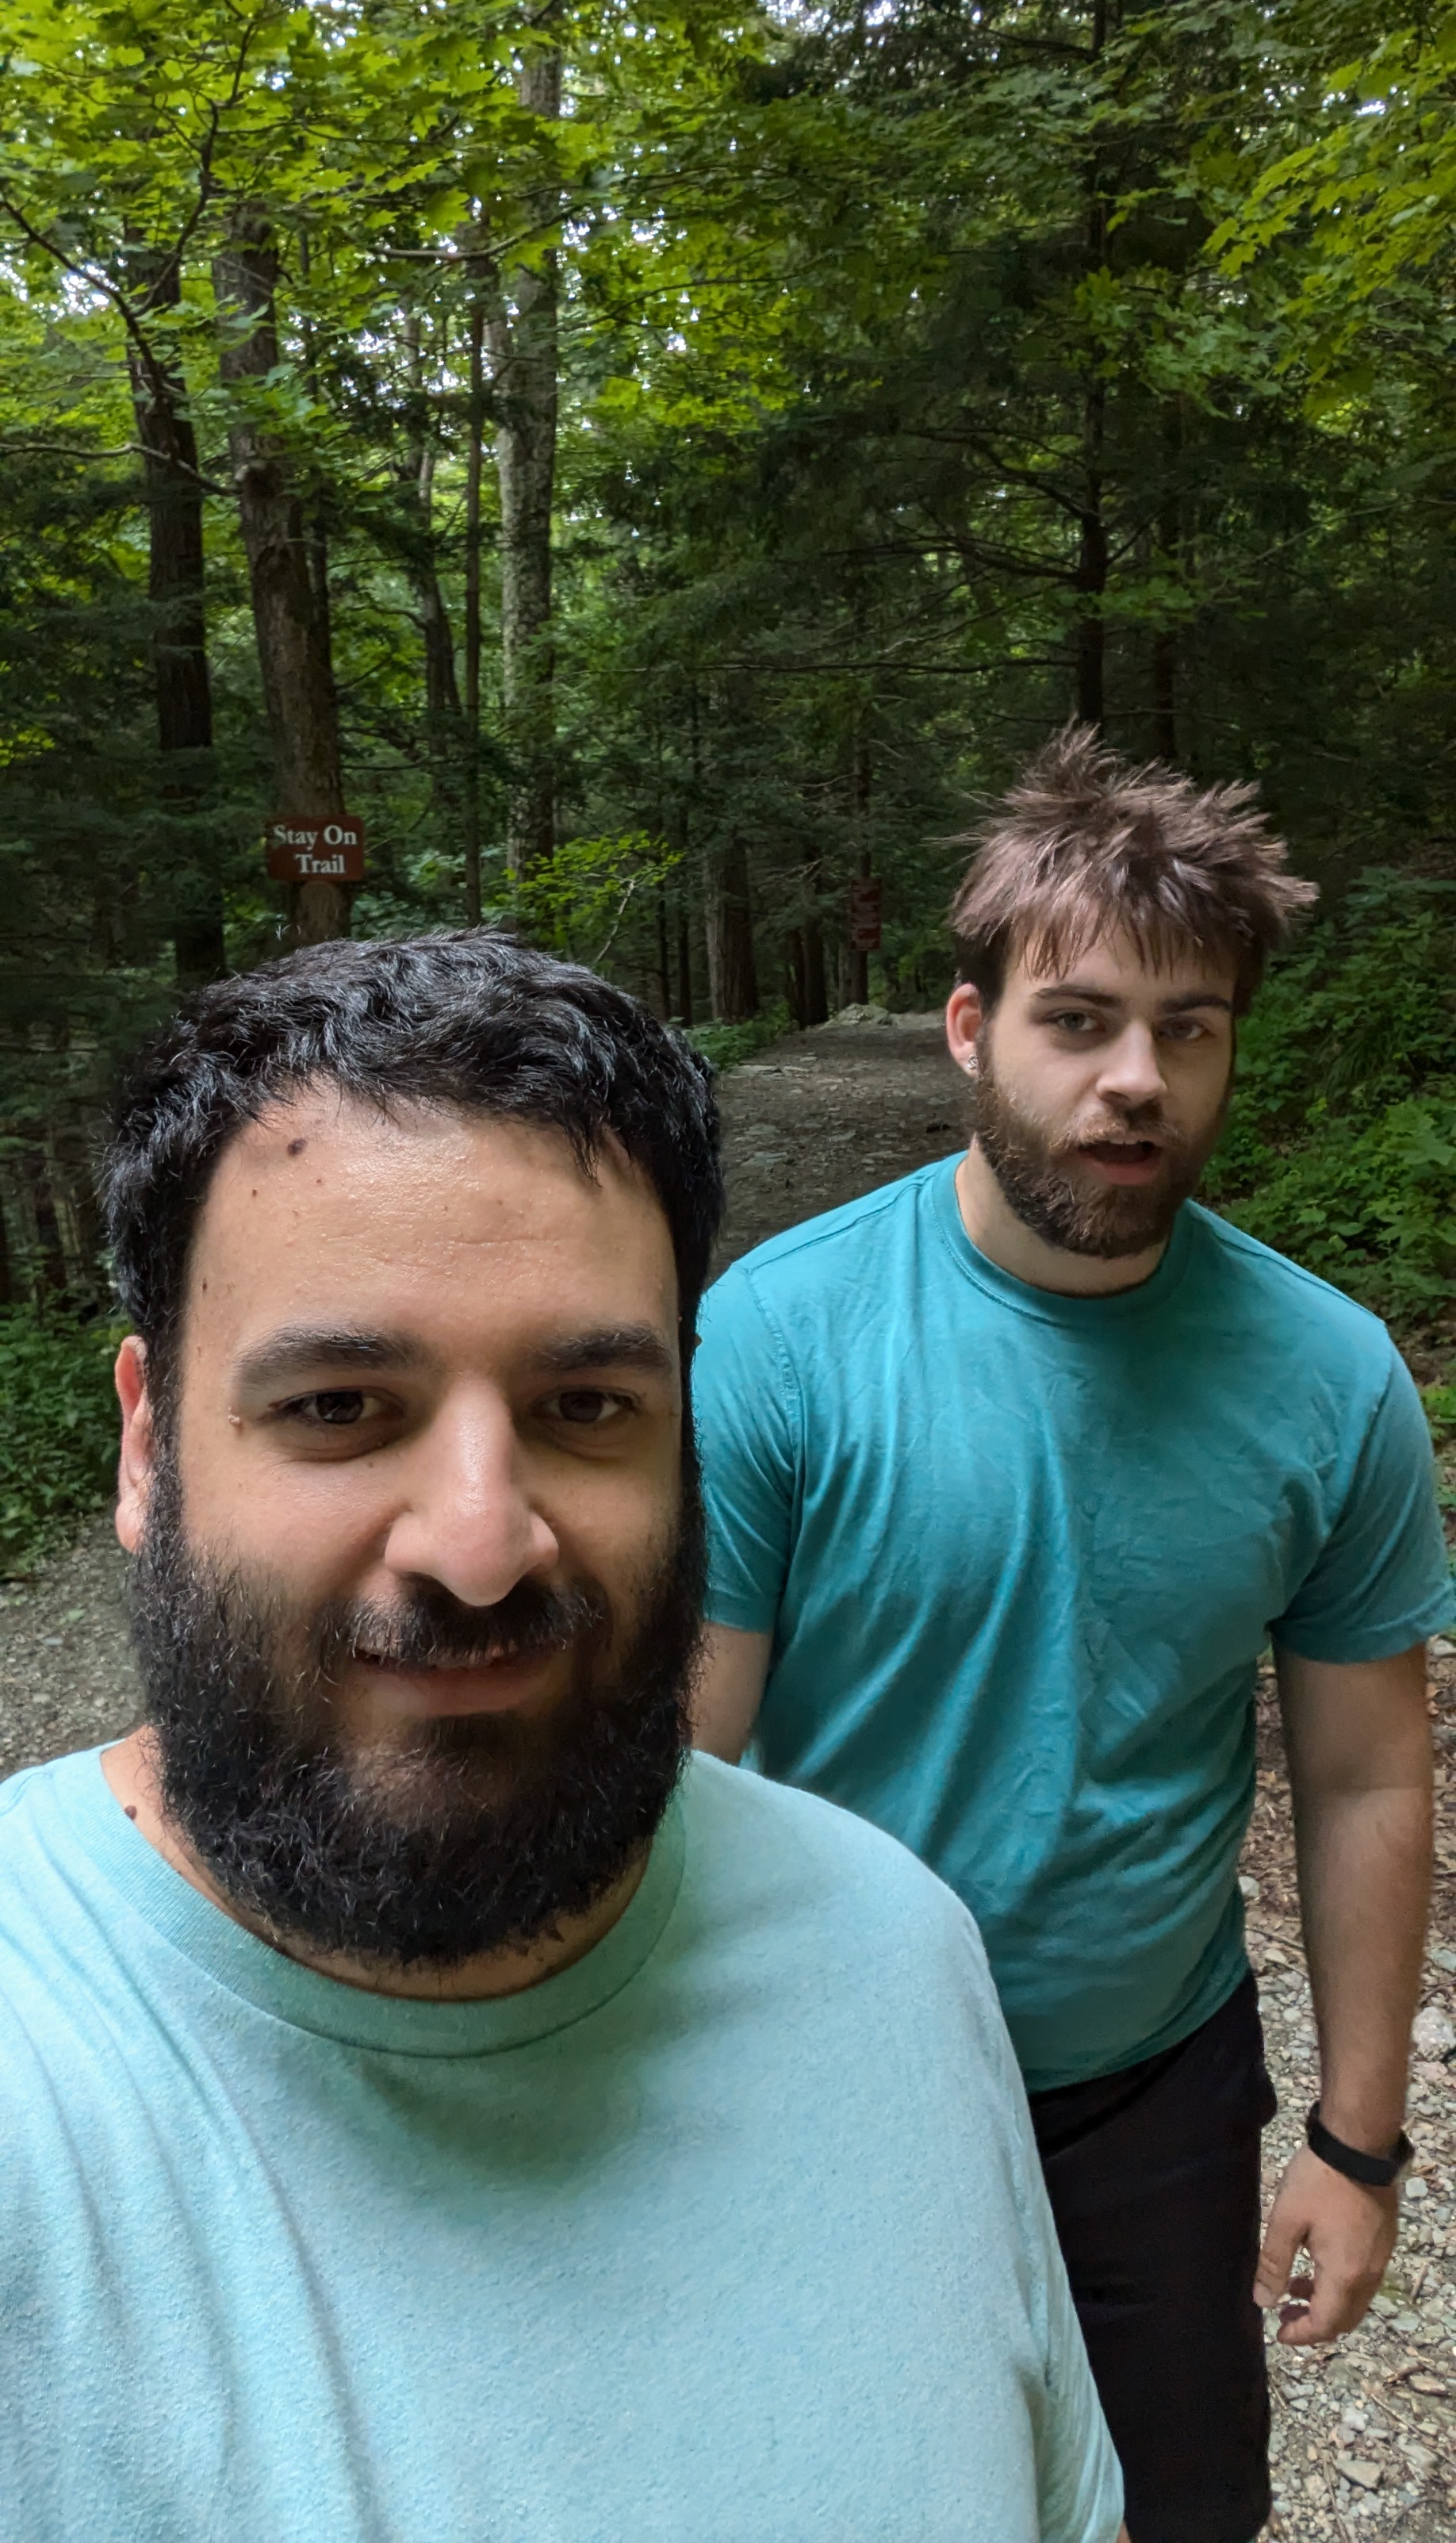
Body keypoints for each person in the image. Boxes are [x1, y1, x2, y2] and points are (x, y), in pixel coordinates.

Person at [0, 934, 1124, 2543]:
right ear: (144, 1446)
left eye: (588, 1405)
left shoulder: (898, 1955)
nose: (480, 1543)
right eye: (338, 1407)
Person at [692, 730, 1455, 2543]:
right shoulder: (778, 1343)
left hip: (1157, 2091)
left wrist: (1357, 2143)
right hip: (827, 2078)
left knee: (1186, 2508)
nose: (1137, 1078)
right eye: (1082, 1020)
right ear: (971, 1032)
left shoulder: (1329, 1378)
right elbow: (677, 1778)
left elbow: (1362, 1776)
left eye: (1188, 1030)